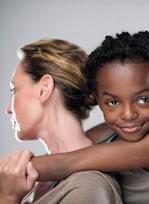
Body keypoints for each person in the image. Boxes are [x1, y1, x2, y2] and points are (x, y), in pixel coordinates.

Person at [30, 31, 149, 204]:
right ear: (97, 99)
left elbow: (68, 163)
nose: (128, 115)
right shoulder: (106, 132)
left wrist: (17, 168)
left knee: (88, 182)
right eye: (112, 102)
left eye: (143, 100)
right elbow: (62, 157)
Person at [0, 39, 122, 204]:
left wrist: (8, 198)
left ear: (44, 88)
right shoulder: (35, 184)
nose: (8, 109)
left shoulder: (88, 188)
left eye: (15, 90)